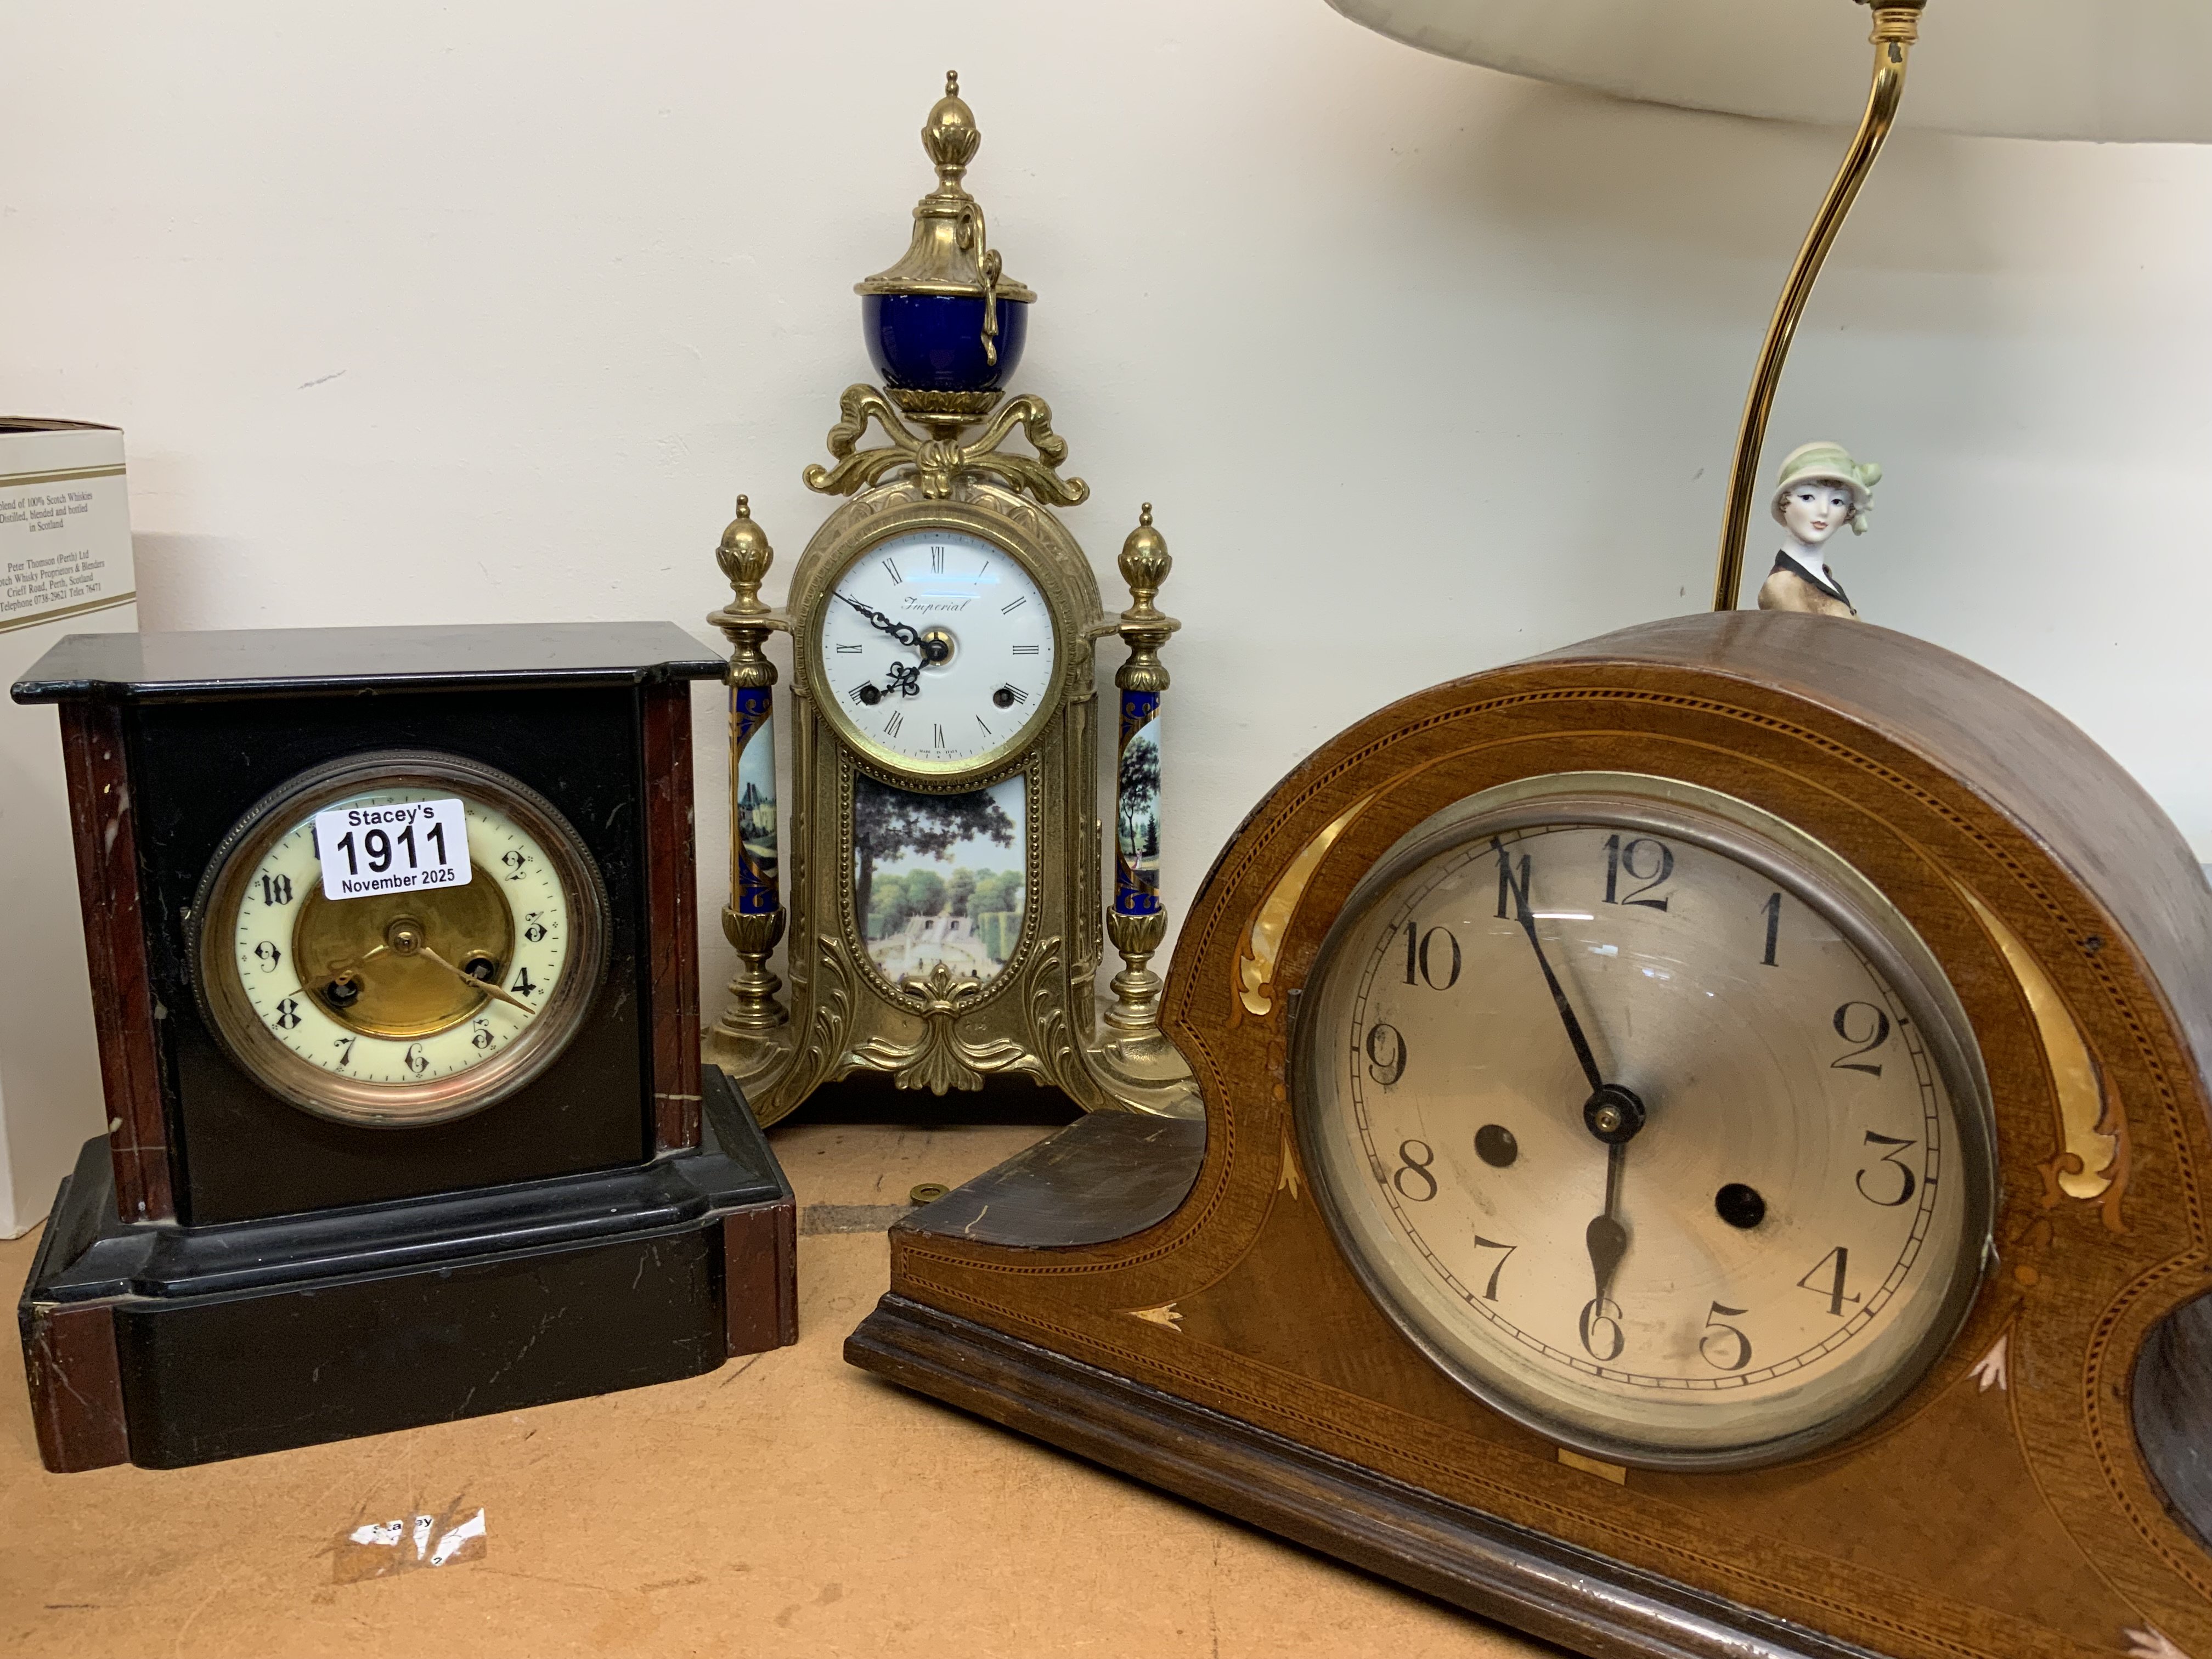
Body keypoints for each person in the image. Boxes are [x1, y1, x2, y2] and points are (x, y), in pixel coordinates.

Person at [1756, 442, 1881, 618]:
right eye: (1807, 497)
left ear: (1849, 512)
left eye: (1837, 501)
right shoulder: (1783, 586)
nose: (1824, 511)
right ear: (1784, 504)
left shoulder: (1825, 579)